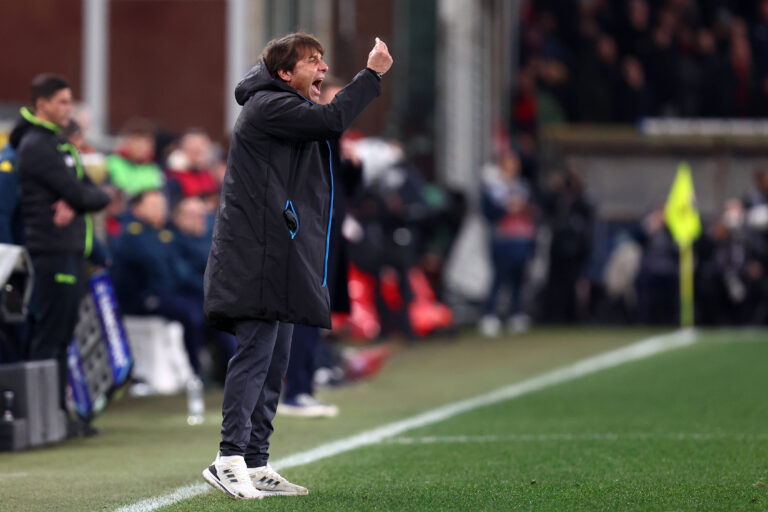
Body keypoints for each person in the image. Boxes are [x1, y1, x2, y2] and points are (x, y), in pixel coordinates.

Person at [202, 32, 392, 499]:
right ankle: (227, 458)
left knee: (275, 361)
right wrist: (371, 76)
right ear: (285, 74)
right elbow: (331, 120)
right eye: (312, 62)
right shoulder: (269, 105)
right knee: (255, 356)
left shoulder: (285, 108)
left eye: (323, 60)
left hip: (277, 253)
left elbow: (322, 133)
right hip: (255, 254)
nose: (322, 69)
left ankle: (256, 459)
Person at [9, 74, 110, 421]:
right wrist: (80, 198)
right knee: (49, 336)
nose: (70, 109)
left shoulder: (55, 143)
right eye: (63, 102)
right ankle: (43, 416)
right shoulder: (38, 145)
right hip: (52, 252)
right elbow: (85, 194)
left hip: (70, 251)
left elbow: (92, 194)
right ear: (43, 104)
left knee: (62, 336)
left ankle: (55, 413)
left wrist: (80, 199)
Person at [106, 119, 163, 196]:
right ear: (127, 143)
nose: (144, 148)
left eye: (147, 144)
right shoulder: (112, 163)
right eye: (139, 144)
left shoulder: (154, 169)